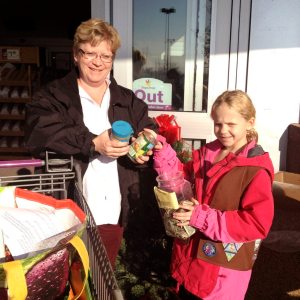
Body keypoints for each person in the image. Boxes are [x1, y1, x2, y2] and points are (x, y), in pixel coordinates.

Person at [24, 18, 157, 268]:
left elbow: (148, 126)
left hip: (113, 211)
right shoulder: (53, 96)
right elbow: (38, 132)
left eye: (106, 56)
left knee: (99, 278)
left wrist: (147, 140)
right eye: (90, 53)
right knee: (65, 275)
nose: (98, 62)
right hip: (69, 210)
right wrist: (93, 143)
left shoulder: (126, 100)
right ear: (75, 54)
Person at [151, 90, 274, 299]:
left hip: (222, 272)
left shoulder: (256, 170)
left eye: (231, 124)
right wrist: (163, 151)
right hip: (191, 259)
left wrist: (200, 217)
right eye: (218, 124)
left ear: (250, 122)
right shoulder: (208, 154)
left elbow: (257, 223)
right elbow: (181, 180)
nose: (223, 130)